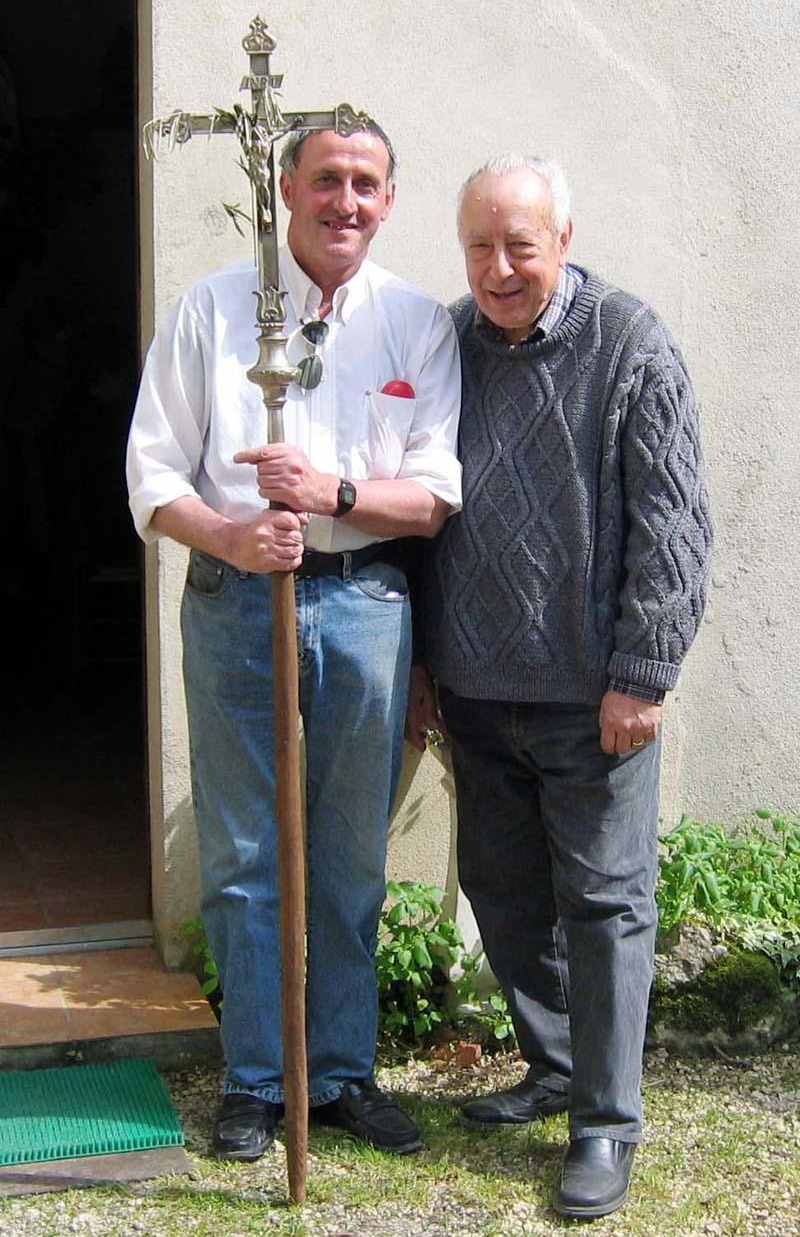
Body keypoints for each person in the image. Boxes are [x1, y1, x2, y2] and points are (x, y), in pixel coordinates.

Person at [127, 124, 461, 1160]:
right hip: (237, 600)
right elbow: (152, 473)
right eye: (325, 180)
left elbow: (434, 496)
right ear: (284, 188)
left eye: (365, 183)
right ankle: (257, 1079)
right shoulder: (213, 309)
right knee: (243, 851)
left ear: (389, 199)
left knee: (350, 853)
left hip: (365, 606)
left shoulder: (415, 322)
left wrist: (332, 494)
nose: (344, 201)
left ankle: (343, 1071)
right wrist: (232, 534)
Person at [406, 155, 712, 1219]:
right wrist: (424, 663)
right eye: (478, 247)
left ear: (563, 241)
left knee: (606, 903)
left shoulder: (631, 345)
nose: (497, 269)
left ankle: (605, 1124)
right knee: (500, 887)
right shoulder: (447, 342)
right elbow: (420, 508)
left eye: (519, 247)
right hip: (475, 688)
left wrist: (641, 672)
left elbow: (673, 526)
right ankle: (554, 1065)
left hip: (594, 697)